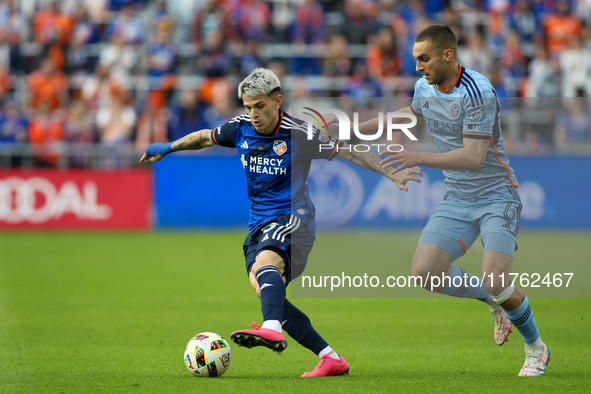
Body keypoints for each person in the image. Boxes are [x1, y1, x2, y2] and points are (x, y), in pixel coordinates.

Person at [140, 68, 423, 377]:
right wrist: (167, 148)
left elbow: (349, 153)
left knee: (266, 269)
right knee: (266, 289)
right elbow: (204, 138)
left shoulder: (298, 132)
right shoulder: (240, 127)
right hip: (259, 223)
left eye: (259, 106)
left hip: (294, 218)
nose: (253, 114)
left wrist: (389, 170)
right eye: (248, 107)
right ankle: (329, 357)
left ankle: (271, 327)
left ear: (278, 101)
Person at [355, 24, 548, 376]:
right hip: (457, 197)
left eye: (423, 58)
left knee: (495, 277)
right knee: (424, 272)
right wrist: (350, 128)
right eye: (415, 59)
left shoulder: (478, 92)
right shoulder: (424, 86)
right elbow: (407, 116)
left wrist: (416, 157)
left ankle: (535, 347)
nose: (417, 66)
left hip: (495, 195)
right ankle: (494, 303)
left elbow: (473, 157)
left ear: (448, 54)